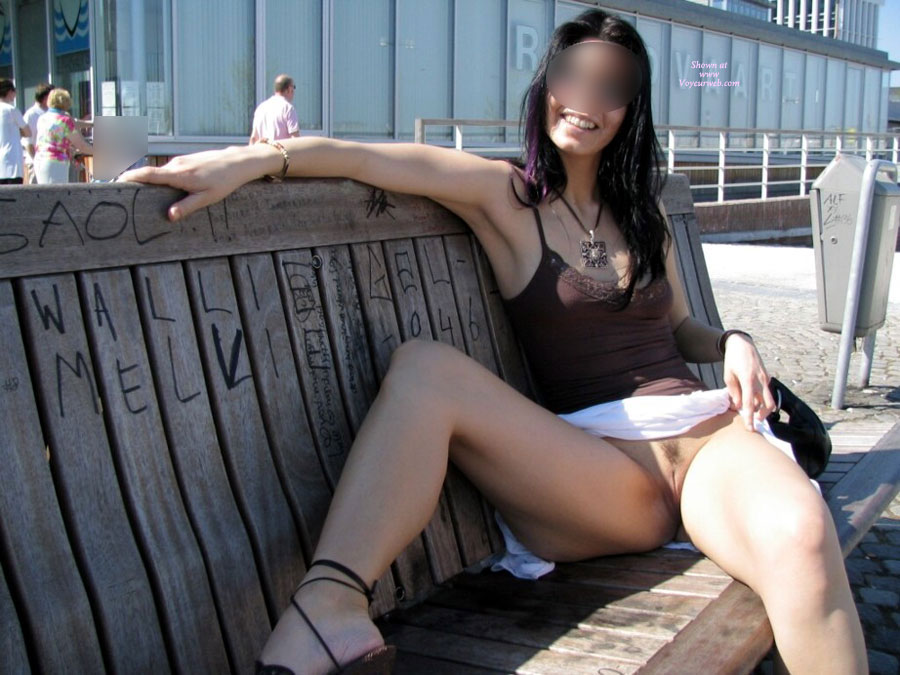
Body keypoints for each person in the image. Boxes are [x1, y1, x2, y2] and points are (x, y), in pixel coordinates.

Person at [121, 9, 867, 675]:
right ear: (546, 85)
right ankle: (330, 606)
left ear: (629, 108)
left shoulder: (642, 213)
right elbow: (364, 158)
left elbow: (679, 328)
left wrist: (732, 338)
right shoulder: (506, 198)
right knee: (425, 371)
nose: (586, 97)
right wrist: (253, 159)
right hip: (600, 474)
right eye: (572, 75)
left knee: (804, 538)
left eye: (610, 85)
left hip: (707, 447)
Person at [33, 88, 92, 184]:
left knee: (45, 191)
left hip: (39, 160)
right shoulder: (64, 120)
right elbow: (81, 146)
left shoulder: (42, 118)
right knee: (58, 192)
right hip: (56, 163)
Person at [249, 73, 300, 144]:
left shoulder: (261, 108)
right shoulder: (288, 108)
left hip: (262, 150)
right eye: (293, 87)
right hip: (280, 150)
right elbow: (295, 139)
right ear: (289, 89)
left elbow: (253, 139)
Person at [22, 83, 55, 184]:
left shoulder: (50, 113)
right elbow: (28, 143)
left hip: (51, 163)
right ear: (45, 98)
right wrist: (36, 162)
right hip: (36, 164)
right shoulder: (31, 115)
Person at [0, 79, 30, 185]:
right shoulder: (11, 110)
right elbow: (28, 132)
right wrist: (18, 132)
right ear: (9, 92)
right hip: (12, 162)